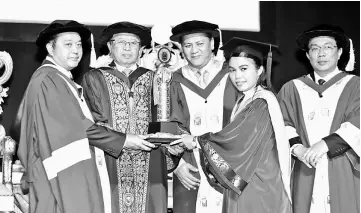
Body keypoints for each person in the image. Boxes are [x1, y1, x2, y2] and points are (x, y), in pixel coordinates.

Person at [12, 20, 153, 213]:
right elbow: (81, 128)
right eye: (68, 44)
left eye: (79, 44)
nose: (76, 50)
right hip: (58, 181)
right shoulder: (49, 80)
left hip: (59, 178)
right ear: (49, 47)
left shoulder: (59, 79)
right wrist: (126, 140)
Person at [172, 37, 292, 213]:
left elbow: (236, 140)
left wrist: (196, 141)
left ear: (259, 70)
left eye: (244, 69)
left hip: (259, 186)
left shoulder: (261, 102)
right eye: (232, 70)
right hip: (246, 180)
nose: (237, 76)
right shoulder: (245, 100)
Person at [81, 21, 178, 213]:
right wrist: (122, 141)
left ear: (142, 50)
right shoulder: (94, 78)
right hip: (109, 160)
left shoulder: (157, 78)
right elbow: (91, 122)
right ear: (110, 46)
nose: (127, 47)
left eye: (133, 43)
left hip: (151, 160)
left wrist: (170, 144)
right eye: (121, 42)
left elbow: (168, 118)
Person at [278, 24, 360, 213]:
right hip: (305, 167)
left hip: (343, 167)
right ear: (307, 55)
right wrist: (298, 149)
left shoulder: (355, 85)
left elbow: (358, 121)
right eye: (314, 48)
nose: (321, 53)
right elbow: (282, 123)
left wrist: (325, 144)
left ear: (339, 52)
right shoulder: (291, 89)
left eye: (328, 47)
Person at [169, 20, 238, 213]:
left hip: (230, 165)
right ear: (181, 48)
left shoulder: (233, 74)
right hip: (189, 167)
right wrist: (176, 165)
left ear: (212, 44)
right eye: (188, 45)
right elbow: (163, 125)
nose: (194, 50)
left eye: (200, 44)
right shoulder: (172, 80)